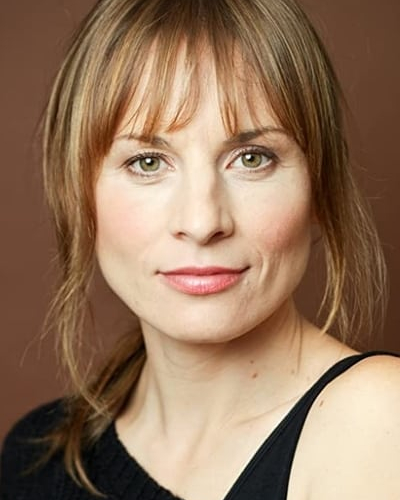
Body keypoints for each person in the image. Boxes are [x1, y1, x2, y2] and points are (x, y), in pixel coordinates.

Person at [1, 0, 400, 498]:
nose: (202, 222)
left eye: (251, 158)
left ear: (319, 186)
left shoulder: (378, 423)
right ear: (76, 194)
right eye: (148, 162)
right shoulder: (34, 460)